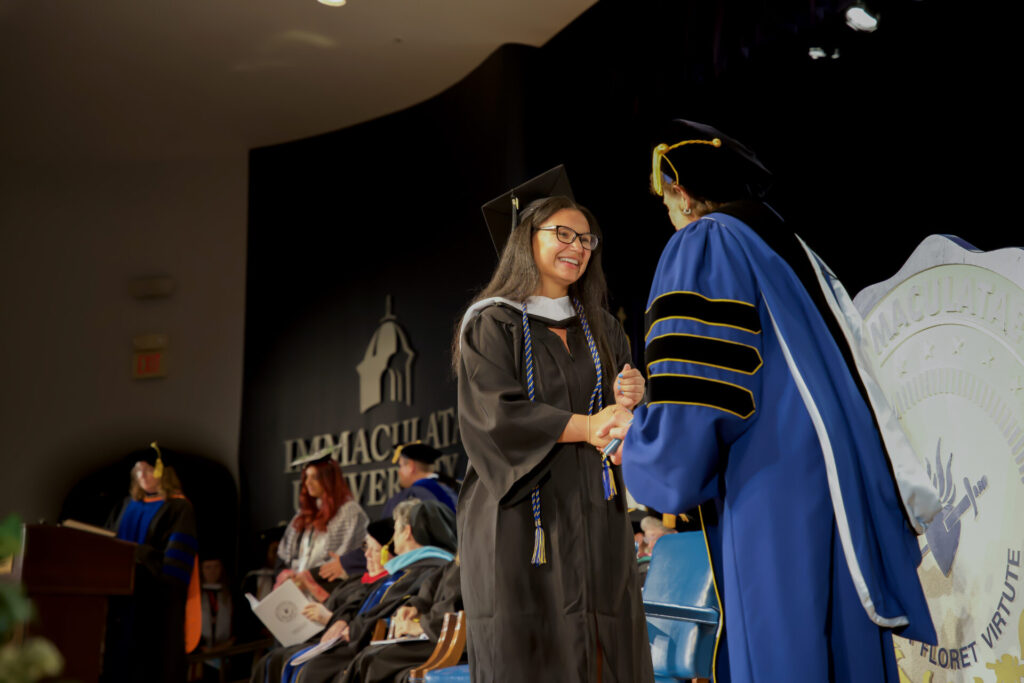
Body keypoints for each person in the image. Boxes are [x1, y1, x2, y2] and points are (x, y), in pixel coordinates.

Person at [604, 119, 940, 682]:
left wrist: (638, 440)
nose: (668, 212)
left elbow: (700, 393)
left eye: (666, 199)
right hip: (839, 485)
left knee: (787, 648)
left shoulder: (704, 240)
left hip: (774, 488)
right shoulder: (790, 249)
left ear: (681, 192)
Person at [455, 166, 654, 682]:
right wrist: (587, 427)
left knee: (605, 644)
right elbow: (496, 415)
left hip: (594, 510)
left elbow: (615, 418)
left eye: (585, 238)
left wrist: (631, 399)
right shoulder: (492, 322)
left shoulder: (603, 327)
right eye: (562, 234)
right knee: (529, 650)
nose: (577, 246)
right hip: (521, 518)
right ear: (526, 239)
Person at [252, 500, 458, 683]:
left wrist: (356, 626)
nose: (393, 539)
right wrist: (343, 619)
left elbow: (393, 608)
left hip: (364, 642)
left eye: (396, 530)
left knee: (312, 669)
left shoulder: (428, 568)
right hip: (356, 639)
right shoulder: (408, 569)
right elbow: (368, 600)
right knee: (278, 660)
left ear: (407, 531)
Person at [104, 443, 200, 683]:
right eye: (137, 471)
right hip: (119, 602)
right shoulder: (126, 505)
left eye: (148, 469)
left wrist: (137, 554)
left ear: (163, 472)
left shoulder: (179, 507)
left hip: (156, 606)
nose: (142, 476)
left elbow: (176, 565)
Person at [277, 456, 369, 601]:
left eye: (314, 477)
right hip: (298, 592)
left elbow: (349, 557)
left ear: (328, 480)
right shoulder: (304, 513)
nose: (308, 483)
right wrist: (290, 576)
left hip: (329, 593)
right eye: (306, 477)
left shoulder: (349, 512)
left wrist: (308, 579)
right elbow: (287, 555)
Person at [381, 441, 458, 517]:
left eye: (400, 466)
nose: (399, 471)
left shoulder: (412, 495)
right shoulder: (453, 489)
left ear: (411, 466)